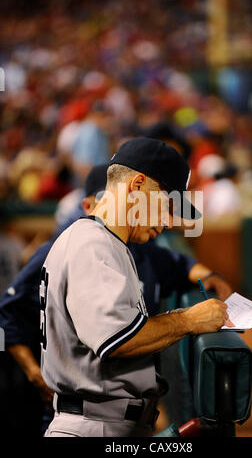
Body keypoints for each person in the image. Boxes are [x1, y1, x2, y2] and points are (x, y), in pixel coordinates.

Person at [0, 161, 232, 435]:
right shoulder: (92, 244)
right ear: (137, 186)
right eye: (166, 207)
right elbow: (118, 340)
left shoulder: (113, 245)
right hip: (92, 423)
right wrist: (189, 320)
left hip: (105, 420)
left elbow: (178, 265)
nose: (169, 221)